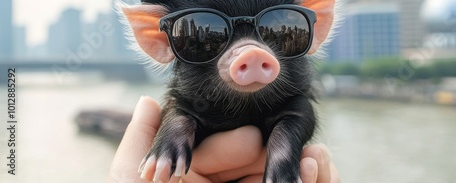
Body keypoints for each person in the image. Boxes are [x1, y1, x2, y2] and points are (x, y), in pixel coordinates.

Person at [107, 96, 340, 183]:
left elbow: (298, 112)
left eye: (277, 30)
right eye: (209, 32)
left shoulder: (292, 102)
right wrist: (177, 127)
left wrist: (283, 156)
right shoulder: (187, 103)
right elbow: (181, 107)